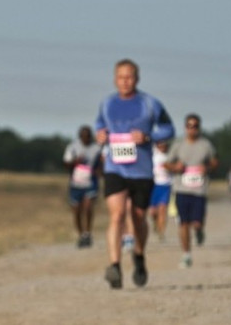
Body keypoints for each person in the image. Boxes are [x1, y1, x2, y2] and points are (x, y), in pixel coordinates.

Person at [95, 58, 175, 289]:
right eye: (120, 77)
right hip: (115, 168)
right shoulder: (107, 104)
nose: (125, 81)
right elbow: (99, 126)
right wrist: (100, 135)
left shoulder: (150, 103)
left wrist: (149, 137)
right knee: (117, 215)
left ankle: (139, 256)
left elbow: (169, 128)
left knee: (138, 218)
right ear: (114, 79)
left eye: (129, 77)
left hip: (141, 170)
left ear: (137, 79)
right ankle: (115, 266)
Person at [164, 114, 218, 269]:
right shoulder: (178, 145)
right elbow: (166, 163)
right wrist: (175, 167)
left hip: (199, 190)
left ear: (199, 127)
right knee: (183, 224)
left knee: (196, 223)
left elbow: (215, 161)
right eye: (189, 126)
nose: (192, 129)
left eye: (195, 126)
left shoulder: (206, 145)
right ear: (185, 127)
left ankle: (199, 231)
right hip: (181, 188)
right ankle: (186, 254)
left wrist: (207, 168)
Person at [62, 125, 102, 248]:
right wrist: (75, 161)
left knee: (88, 207)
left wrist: (99, 171)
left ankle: (88, 233)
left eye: (88, 136)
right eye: (84, 136)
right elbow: (66, 163)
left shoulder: (96, 148)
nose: (86, 138)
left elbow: (102, 163)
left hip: (90, 183)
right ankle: (81, 235)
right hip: (76, 184)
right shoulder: (72, 147)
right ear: (80, 136)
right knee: (77, 211)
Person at [149, 140, 173, 240]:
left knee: (163, 209)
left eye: (164, 144)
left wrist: (169, 167)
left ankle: (161, 232)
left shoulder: (171, 155)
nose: (162, 146)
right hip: (153, 185)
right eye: (160, 144)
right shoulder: (153, 153)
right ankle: (155, 223)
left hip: (166, 185)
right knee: (153, 212)